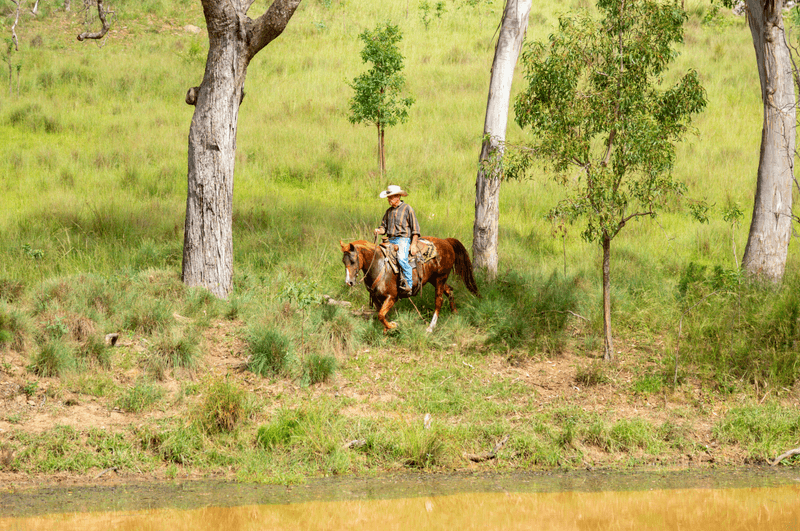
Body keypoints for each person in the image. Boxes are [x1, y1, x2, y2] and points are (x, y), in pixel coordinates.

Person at [374, 185, 420, 296]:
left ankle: (409, 284)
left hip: (403, 239)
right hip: (390, 240)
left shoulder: (407, 209)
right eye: (388, 197)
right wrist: (379, 230)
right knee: (379, 258)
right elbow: (384, 227)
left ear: (398, 196)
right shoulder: (388, 211)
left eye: (391, 197)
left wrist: (413, 244)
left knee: (401, 258)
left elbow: (415, 229)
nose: (389, 200)